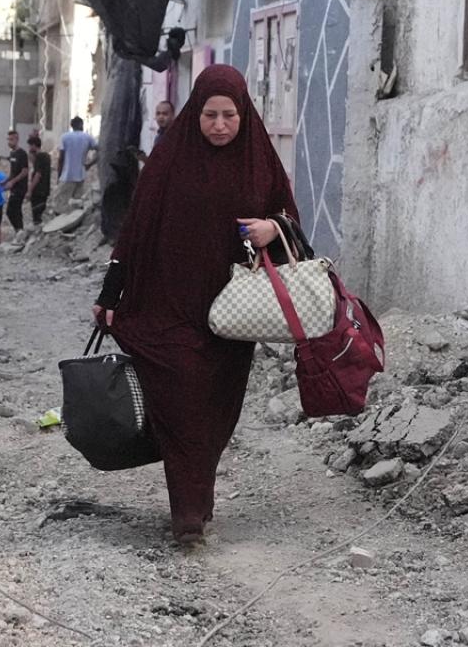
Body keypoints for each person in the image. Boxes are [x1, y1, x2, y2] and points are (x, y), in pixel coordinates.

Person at [92, 65, 298, 546]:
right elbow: (135, 231)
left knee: (215, 413)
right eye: (210, 115)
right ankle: (186, 514)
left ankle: (199, 498)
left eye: (229, 115)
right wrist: (109, 294)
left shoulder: (260, 162)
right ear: (195, 113)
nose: (220, 125)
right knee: (182, 404)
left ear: (244, 114)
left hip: (233, 314)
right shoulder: (169, 161)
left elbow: (289, 216)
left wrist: (273, 227)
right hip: (169, 306)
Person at [56, 117, 97, 210]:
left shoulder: (65, 137)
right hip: (81, 175)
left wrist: (59, 176)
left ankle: (61, 218)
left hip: (67, 175)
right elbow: (100, 150)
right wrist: (90, 164)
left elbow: (61, 158)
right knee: (77, 204)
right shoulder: (88, 137)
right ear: (81, 125)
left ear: (72, 126)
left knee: (60, 204)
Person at [2, 130, 29, 236]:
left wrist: (12, 182)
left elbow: (25, 171)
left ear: (17, 139)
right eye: (8, 139)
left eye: (11, 139)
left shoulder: (22, 153)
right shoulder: (12, 153)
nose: (9, 142)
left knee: (11, 211)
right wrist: (5, 181)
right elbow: (13, 172)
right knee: (16, 211)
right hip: (14, 187)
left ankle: (19, 232)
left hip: (20, 187)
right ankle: (20, 232)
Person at [24, 135, 52, 228]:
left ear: (34, 145)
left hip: (38, 191)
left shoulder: (39, 157)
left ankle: (37, 231)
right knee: (40, 215)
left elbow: (37, 175)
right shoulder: (47, 156)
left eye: (30, 146)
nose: (29, 148)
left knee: (36, 217)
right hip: (45, 190)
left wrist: (29, 191)